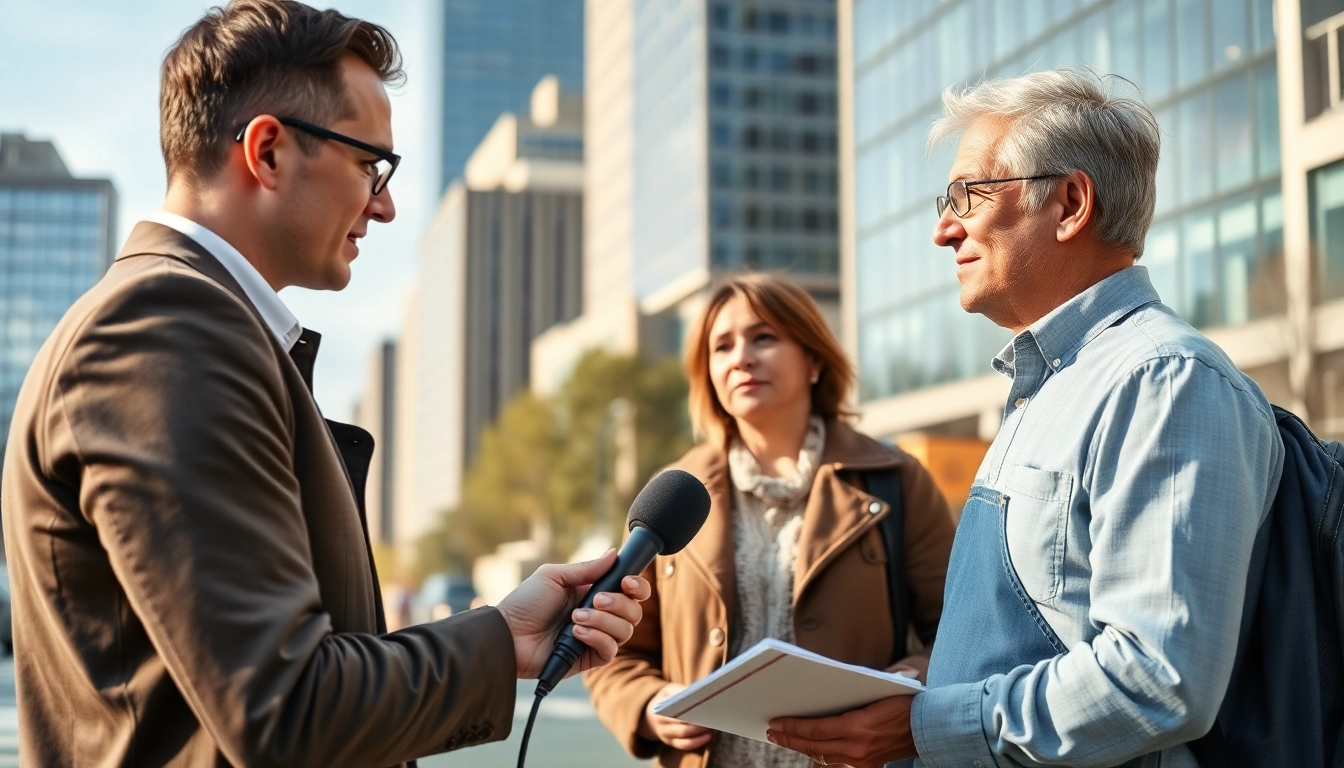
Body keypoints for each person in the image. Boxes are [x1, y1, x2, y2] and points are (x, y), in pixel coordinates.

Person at [0, 2, 649, 766]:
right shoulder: (167, 326)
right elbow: (286, 708)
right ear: (269, 151)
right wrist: (493, 642)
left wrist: (500, 636)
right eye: (370, 164)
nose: (385, 203)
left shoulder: (193, 323)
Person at [765, 68, 1285, 768]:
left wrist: (924, 725)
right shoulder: (1049, 388)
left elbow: (1160, 678)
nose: (944, 230)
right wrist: (933, 685)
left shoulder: (1165, 382)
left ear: (1070, 203)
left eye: (969, 195)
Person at [586, 274, 956, 768]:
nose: (741, 357)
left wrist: (918, 674)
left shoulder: (896, 480)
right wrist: (649, 706)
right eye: (722, 346)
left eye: (764, 337)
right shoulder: (675, 494)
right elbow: (613, 647)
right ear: (709, 375)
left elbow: (961, 632)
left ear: (814, 360)